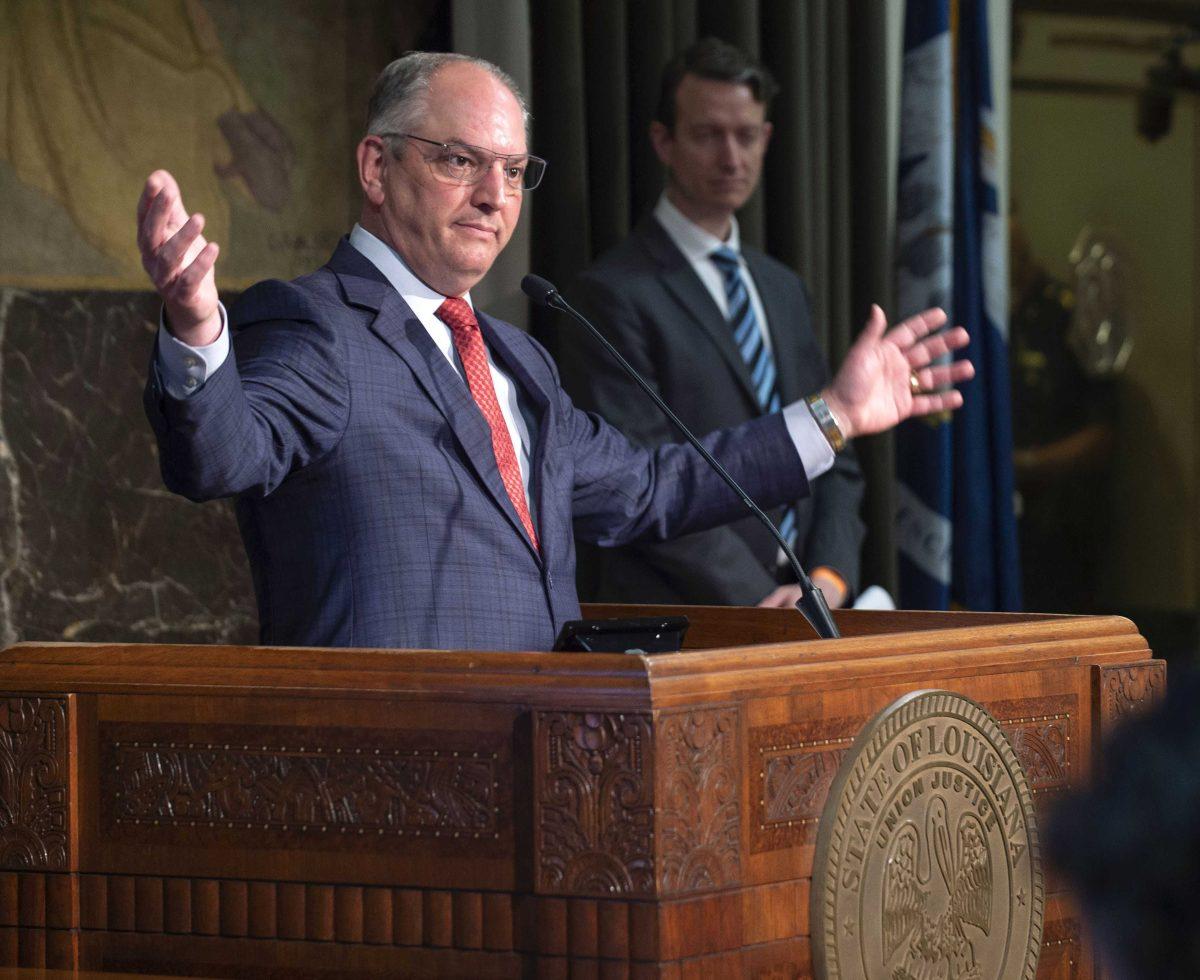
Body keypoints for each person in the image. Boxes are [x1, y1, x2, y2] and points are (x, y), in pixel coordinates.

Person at [137, 51, 972, 652]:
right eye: (460, 160)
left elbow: (651, 489)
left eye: (512, 168)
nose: (495, 195)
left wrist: (838, 414)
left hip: (540, 770)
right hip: (383, 781)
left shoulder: (517, 359)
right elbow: (220, 455)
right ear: (377, 167)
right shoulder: (318, 324)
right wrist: (197, 328)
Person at [552, 38, 864, 610]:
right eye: (707, 134)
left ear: (767, 139)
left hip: (814, 609)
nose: (731, 158)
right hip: (690, 618)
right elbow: (637, 480)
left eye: (746, 136)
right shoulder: (609, 294)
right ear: (663, 142)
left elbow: (835, 455)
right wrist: (763, 600)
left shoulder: (784, 289)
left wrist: (827, 581)